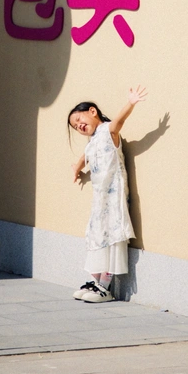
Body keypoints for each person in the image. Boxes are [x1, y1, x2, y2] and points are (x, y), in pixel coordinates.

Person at [68, 86, 147, 302]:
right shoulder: (93, 141)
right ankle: (95, 281)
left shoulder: (108, 131)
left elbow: (119, 121)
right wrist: (77, 167)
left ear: (93, 111)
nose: (79, 126)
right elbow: (85, 156)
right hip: (99, 199)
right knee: (97, 236)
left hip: (114, 197)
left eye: (79, 119)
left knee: (112, 236)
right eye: (75, 126)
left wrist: (131, 103)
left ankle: (105, 286)